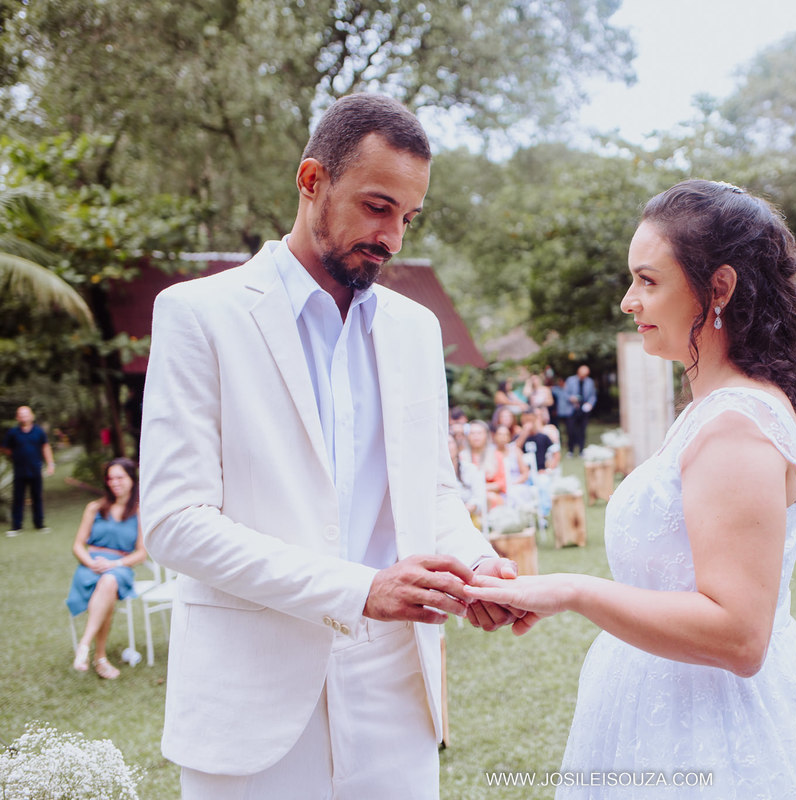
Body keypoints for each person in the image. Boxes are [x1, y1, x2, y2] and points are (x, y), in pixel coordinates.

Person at [139, 93, 517, 799]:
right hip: (252, 694)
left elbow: (431, 490)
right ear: (311, 180)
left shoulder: (415, 329)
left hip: (396, 688)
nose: (394, 238)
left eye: (409, 217)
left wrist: (476, 565)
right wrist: (360, 590)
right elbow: (173, 523)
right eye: (378, 207)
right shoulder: (198, 315)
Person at [465, 180, 796, 798]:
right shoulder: (710, 409)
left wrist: (573, 590)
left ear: (719, 287)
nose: (627, 301)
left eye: (647, 280)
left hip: (715, 731)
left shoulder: (737, 425)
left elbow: (740, 635)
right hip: (658, 705)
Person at [66, 457, 147, 679]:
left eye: (120, 477)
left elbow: (141, 553)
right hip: (90, 566)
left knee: (110, 581)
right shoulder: (95, 508)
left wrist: (114, 564)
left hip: (119, 567)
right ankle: (99, 658)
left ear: (132, 479)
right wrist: (90, 562)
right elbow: (77, 545)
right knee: (106, 588)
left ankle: (84, 645)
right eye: (110, 478)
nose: (114, 482)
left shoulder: (140, 513)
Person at [3, 405, 56, 536]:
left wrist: (50, 464)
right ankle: (16, 527)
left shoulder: (39, 432)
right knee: (18, 498)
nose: (23, 417)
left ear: (31, 416)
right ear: (17, 417)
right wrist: (15, 456)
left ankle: (39, 524)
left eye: (26, 414)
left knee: (37, 497)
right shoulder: (13, 433)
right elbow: (5, 448)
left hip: (35, 470)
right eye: (20, 414)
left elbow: (45, 447)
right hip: (19, 470)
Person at [562, 364, 597, 456]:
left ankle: (581, 450)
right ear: (578, 373)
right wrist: (571, 398)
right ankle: (571, 450)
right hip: (572, 409)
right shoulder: (570, 380)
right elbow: (565, 394)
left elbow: (592, 396)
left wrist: (590, 404)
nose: (583, 376)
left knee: (582, 430)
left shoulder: (590, 382)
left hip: (584, 409)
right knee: (571, 430)